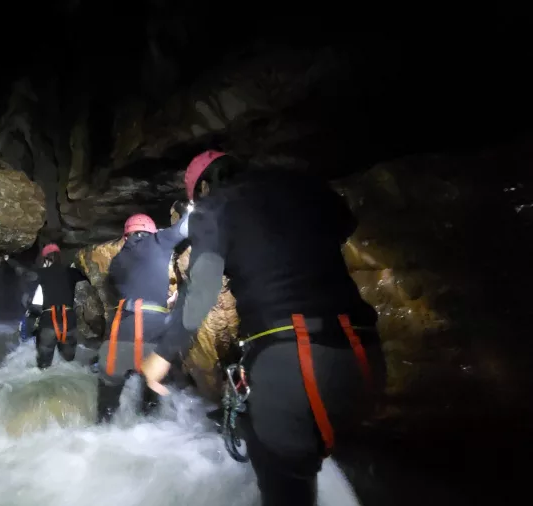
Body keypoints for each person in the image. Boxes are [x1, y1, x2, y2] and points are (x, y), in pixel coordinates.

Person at [140, 150, 387, 506]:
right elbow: (344, 223)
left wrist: (163, 354)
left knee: (286, 487)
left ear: (205, 186)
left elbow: (204, 287)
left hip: (296, 362)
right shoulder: (303, 184)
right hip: (365, 354)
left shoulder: (216, 206)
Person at [96, 211, 189, 422]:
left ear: (126, 236)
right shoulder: (158, 241)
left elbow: (126, 286)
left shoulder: (117, 261)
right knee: (153, 385)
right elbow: (186, 226)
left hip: (125, 325)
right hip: (157, 325)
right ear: (150, 232)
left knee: (110, 387)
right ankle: (150, 421)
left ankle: (103, 425)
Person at [5, 244, 88, 369]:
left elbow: (24, 273)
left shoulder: (42, 272)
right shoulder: (72, 272)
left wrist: (8, 260)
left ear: (46, 259)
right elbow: (87, 278)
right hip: (69, 323)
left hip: (49, 322)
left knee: (44, 367)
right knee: (70, 365)